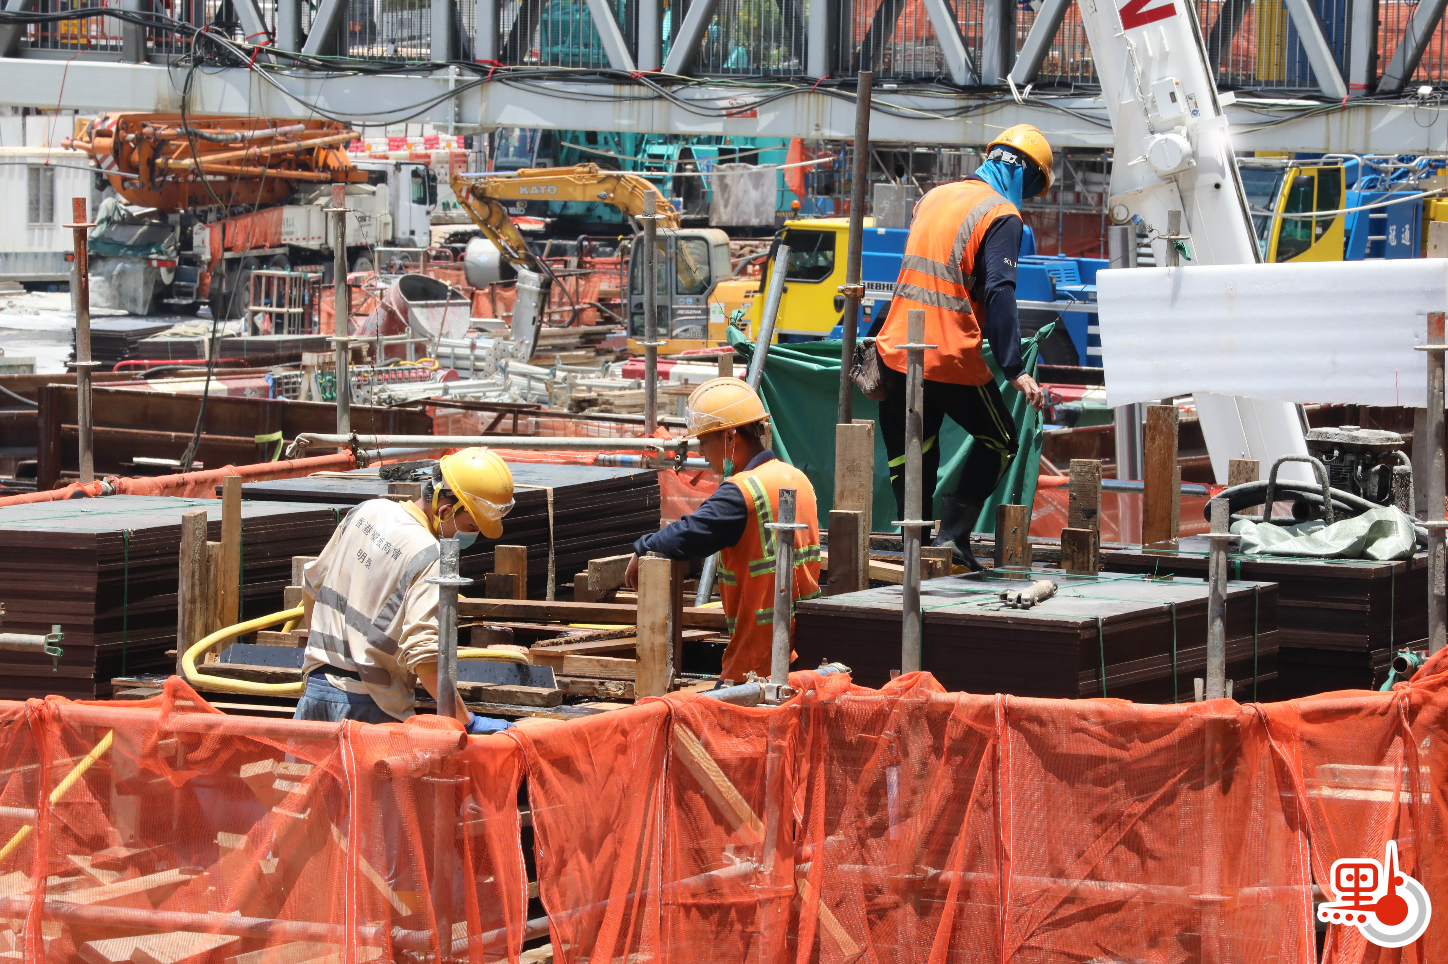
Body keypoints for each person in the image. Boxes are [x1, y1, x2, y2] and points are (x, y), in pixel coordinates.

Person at [874, 124, 1052, 570]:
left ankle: (915, 550)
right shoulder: (1002, 215)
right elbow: (999, 290)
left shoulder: (933, 197)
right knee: (1001, 440)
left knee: (913, 449)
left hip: (896, 346)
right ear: (1025, 176)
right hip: (947, 352)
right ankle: (952, 538)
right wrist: (1014, 367)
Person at [294, 447, 517, 732]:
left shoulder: (367, 510)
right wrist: (466, 721)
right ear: (446, 510)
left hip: (315, 693)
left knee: (310, 778)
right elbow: (424, 656)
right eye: (471, 525)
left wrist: (326, 659)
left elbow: (312, 584)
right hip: (370, 710)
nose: (472, 535)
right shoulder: (429, 554)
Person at [623, 377, 821, 683]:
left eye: (705, 442)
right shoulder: (795, 478)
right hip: (800, 648)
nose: (703, 452)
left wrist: (643, 547)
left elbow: (689, 533)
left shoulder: (743, 491)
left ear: (730, 437)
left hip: (758, 659)